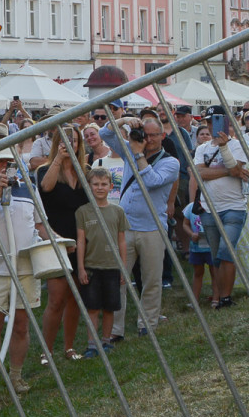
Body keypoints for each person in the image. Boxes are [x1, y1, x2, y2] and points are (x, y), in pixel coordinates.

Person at [0, 147, 48, 395]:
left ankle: (16, 376)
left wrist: (57, 240)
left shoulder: (29, 189)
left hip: (24, 268)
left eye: (8, 162)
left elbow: (39, 224)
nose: (4, 166)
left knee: (21, 325)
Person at [101, 114, 179, 339]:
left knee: (151, 279)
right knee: (118, 278)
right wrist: (124, 120)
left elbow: (152, 181)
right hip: (125, 227)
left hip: (152, 228)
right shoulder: (131, 149)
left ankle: (148, 324)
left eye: (154, 135)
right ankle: (115, 330)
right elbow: (105, 133)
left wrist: (137, 154)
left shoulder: (170, 162)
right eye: (146, 135)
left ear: (163, 136)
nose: (150, 139)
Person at [35, 125, 88, 363]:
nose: (70, 145)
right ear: (57, 143)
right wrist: (59, 158)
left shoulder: (85, 171)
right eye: (65, 141)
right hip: (56, 238)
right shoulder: (45, 170)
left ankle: (68, 347)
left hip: (81, 240)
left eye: (74, 141)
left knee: (75, 297)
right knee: (56, 298)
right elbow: (46, 188)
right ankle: (46, 350)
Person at [191, 107, 247, 309]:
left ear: (226, 122)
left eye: (217, 120)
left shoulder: (238, 145)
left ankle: (225, 298)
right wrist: (230, 171)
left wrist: (224, 152)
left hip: (233, 207)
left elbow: (235, 169)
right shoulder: (201, 148)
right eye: (209, 120)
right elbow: (201, 175)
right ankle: (220, 296)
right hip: (208, 208)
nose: (211, 124)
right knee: (216, 257)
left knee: (226, 251)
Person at [75, 167, 128, 358]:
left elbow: (122, 241)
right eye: (95, 184)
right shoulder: (82, 212)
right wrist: (81, 267)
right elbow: (80, 241)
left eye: (103, 184)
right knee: (93, 307)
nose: (99, 188)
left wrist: (123, 267)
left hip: (112, 266)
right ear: (89, 187)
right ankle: (92, 344)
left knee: (109, 306)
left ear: (111, 187)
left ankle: (106, 341)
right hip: (91, 267)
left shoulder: (118, 211)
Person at [178, 190, 212, 303]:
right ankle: (195, 300)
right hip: (196, 248)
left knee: (215, 272)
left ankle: (216, 298)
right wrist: (192, 234)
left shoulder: (215, 206)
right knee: (197, 272)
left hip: (211, 248)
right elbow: (185, 224)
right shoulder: (191, 207)